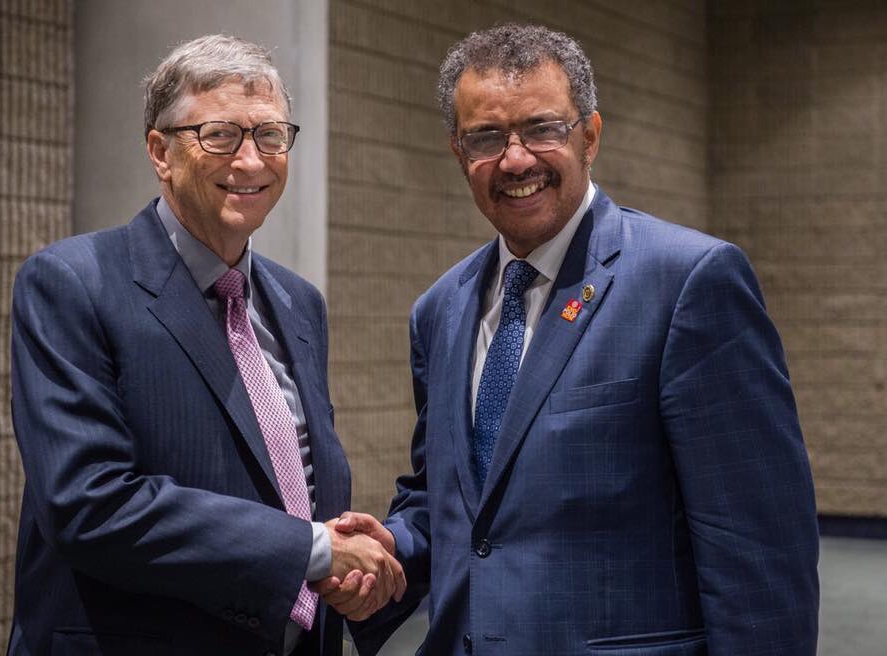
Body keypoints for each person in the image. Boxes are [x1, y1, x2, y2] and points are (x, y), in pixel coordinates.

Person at [339, 23, 820, 655]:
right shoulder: (441, 310)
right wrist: (393, 545)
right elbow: (457, 504)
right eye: (486, 137)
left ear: (589, 136)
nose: (515, 160)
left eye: (542, 128)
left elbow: (759, 549)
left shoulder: (687, 283)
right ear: (460, 153)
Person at [7, 35, 402, 656]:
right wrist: (312, 551)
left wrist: (348, 566)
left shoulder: (301, 303)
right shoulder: (72, 283)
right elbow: (88, 503)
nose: (251, 161)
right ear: (160, 151)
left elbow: (290, 476)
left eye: (270, 136)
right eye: (220, 136)